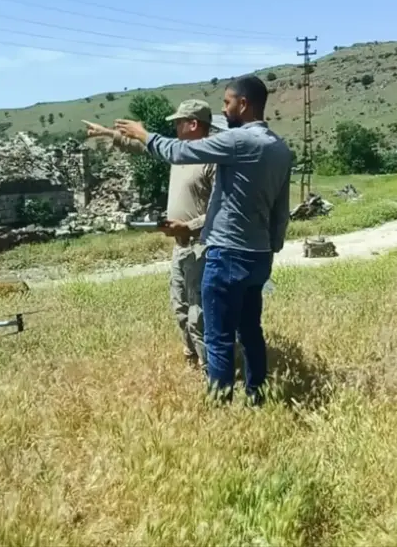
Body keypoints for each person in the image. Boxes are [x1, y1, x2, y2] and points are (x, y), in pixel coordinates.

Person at [115, 76, 293, 405]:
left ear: (243, 104)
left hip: (227, 254)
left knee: (218, 336)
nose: (224, 110)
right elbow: (281, 210)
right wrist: (272, 247)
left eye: (227, 103)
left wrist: (145, 135)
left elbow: (183, 151)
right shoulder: (280, 149)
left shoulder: (239, 141)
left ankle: (220, 408)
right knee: (251, 331)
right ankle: (257, 398)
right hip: (259, 256)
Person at [83, 99, 216, 372]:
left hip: (202, 247)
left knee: (198, 312)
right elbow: (144, 146)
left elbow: (220, 210)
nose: (175, 127)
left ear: (193, 124)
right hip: (181, 246)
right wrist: (107, 133)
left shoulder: (213, 160)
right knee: (180, 306)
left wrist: (189, 227)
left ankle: (210, 368)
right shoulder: (180, 152)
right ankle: (190, 358)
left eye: (179, 122)